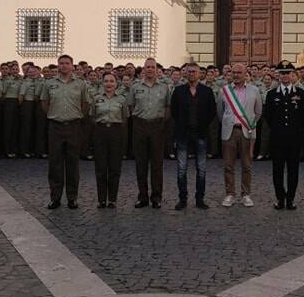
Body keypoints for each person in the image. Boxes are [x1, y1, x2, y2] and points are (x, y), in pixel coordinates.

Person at [41, 54, 88, 210]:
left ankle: (72, 198)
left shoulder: (81, 84)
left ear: (72, 66)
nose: (63, 66)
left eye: (67, 63)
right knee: (55, 163)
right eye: (61, 63)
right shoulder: (49, 84)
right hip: (55, 126)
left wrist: (75, 116)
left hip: (74, 126)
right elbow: (45, 103)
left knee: (72, 164)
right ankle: (55, 198)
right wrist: (55, 115)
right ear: (57, 65)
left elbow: (84, 104)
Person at [170, 63, 216, 210]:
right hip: (183, 133)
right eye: (189, 71)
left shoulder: (207, 91)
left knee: (201, 168)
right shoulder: (178, 91)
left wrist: (202, 124)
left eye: (194, 72)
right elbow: (174, 111)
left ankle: (200, 199)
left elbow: (212, 112)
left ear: (199, 74)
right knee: (181, 168)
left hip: (201, 133)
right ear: (185, 73)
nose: (191, 74)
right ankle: (182, 199)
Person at [127, 58, 172, 209]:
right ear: (143, 69)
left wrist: (160, 122)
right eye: (147, 67)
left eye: (153, 67)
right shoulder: (135, 87)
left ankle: (156, 197)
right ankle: (142, 196)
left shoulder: (164, 87)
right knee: (141, 163)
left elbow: (167, 107)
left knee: (157, 164)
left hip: (157, 127)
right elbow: (131, 105)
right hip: (140, 125)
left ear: (157, 69)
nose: (150, 69)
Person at [264, 60, 304, 210]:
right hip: (277, 140)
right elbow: (268, 117)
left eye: (287, 73)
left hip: (294, 140)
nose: (284, 76)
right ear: (278, 75)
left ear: (293, 75)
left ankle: (290, 199)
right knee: (277, 171)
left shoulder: (301, 94)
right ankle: (280, 199)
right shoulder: (271, 95)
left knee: (293, 171)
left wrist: (300, 137)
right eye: (282, 73)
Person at [218, 63, 263, 208]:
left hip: (247, 131)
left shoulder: (254, 90)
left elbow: (258, 112)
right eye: (233, 72)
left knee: (247, 165)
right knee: (228, 165)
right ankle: (230, 193)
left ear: (245, 74)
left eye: (239, 72)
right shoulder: (224, 91)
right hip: (229, 132)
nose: (236, 75)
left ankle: (246, 194)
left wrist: (250, 124)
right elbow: (220, 112)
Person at [90, 72, 129, 209]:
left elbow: (125, 118)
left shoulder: (122, 99)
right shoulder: (96, 98)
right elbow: (92, 116)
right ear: (102, 83)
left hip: (116, 132)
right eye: (106, 81)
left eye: (112, 81)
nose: (109, 84)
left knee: (114, 167)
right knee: (100, 167)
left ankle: (112, 199)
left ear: (116, 83)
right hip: (100, 132)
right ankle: (101, 199)